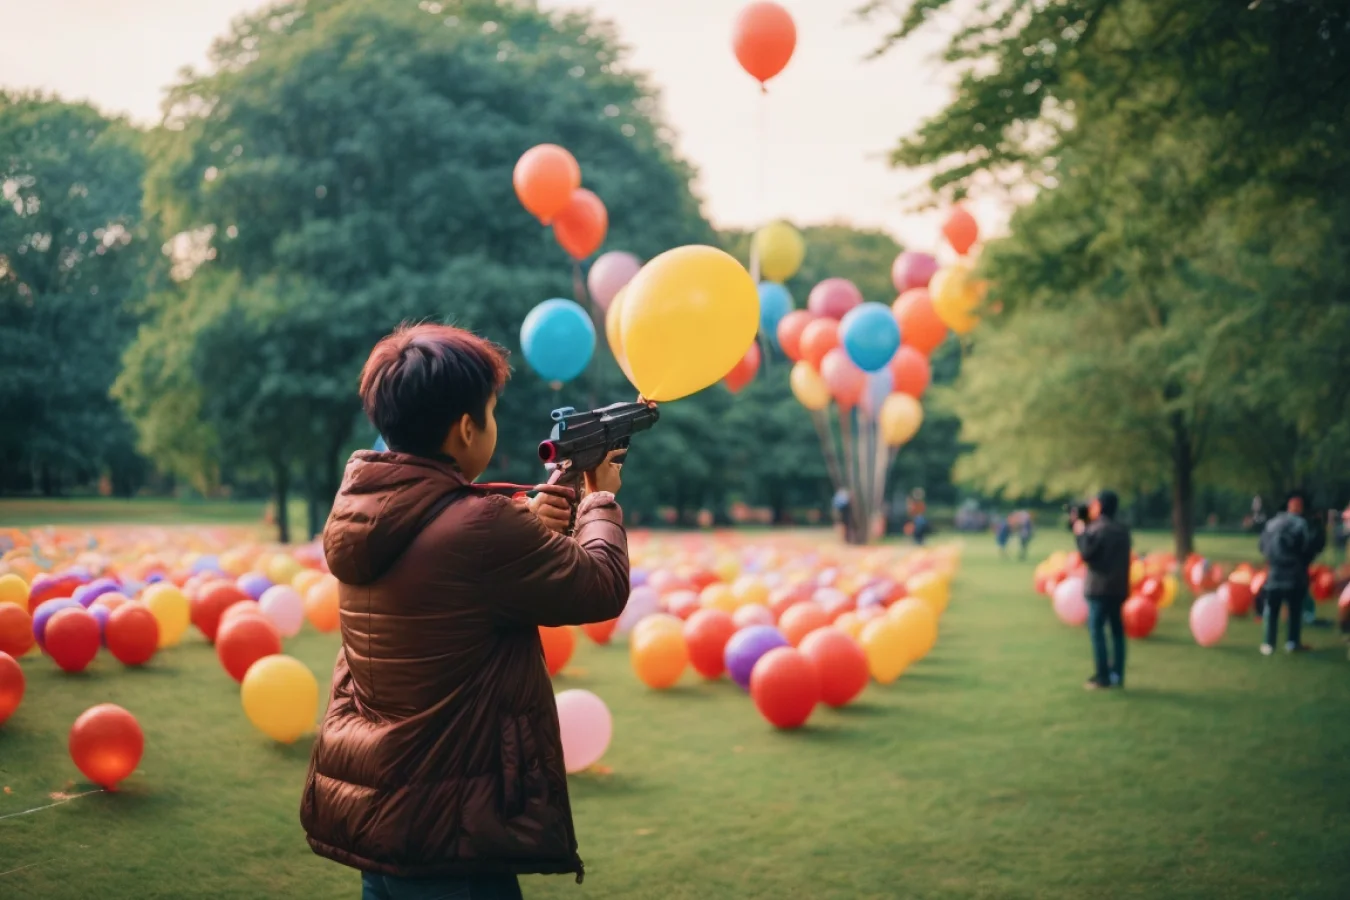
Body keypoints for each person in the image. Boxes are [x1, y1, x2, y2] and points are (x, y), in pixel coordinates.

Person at [300, 324, 634, 899]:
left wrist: (523, 522)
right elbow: (601, 586)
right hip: (454, 835)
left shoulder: (364, 512)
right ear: (465, 427)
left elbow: (449, 576)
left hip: (386, 821)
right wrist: (599, 496)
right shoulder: (482, 529)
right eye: (491, 413)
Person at [1074, 490, 1132, 690]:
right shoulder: (1122, 530)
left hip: (1099, 589)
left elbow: (1086, 554)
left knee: (1097, 631)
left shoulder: (1096, 529)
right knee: (1117, 632)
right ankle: (1118, 674)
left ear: (1100, 505)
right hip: (1119, 589)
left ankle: (1103, 677)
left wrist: (1080, 532)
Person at [1258, 490, 1325, 655]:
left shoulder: (1272, 524)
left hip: (1274, 573)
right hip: (1294, 574)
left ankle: (1269, 644)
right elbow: (1309, 547)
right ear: (1299, 507)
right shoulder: (1302, 525)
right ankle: (1292, 642)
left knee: (1273, 609)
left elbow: (1262, 546)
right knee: (1294, 609)